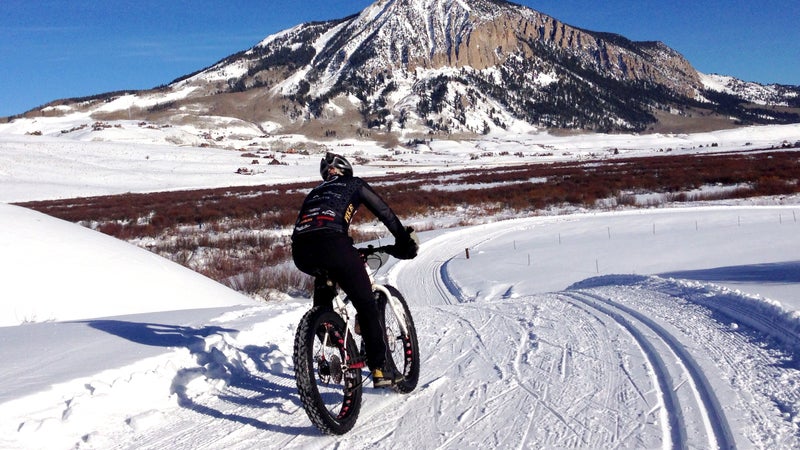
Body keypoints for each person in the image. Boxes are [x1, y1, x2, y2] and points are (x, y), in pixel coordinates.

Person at [292, 152, 418, 388]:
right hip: (334, 245)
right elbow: (385, 212)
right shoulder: (355, 184)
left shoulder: (314, 192)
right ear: (346, 170)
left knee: (325, 284)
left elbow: (309, 227)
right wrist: (404, 240)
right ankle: (381, 369)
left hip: (300, 252)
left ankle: (325, 327)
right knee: (366, 303)